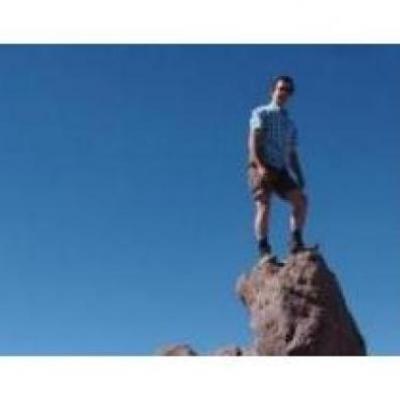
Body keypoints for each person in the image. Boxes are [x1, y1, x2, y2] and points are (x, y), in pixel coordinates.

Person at [247, 75, 308, 263]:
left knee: (301, 201)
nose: (284, 93)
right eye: (281, 88)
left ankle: (296, 242)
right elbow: (253, 141)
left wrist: (299, 175)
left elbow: (292, 153)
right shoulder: (261, 113)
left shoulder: (290, 124)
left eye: (288, 90)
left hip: (280, 169)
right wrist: (259, 165)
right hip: (261, 164)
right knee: (264, 204)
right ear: (273, 90)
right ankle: (264, 249)